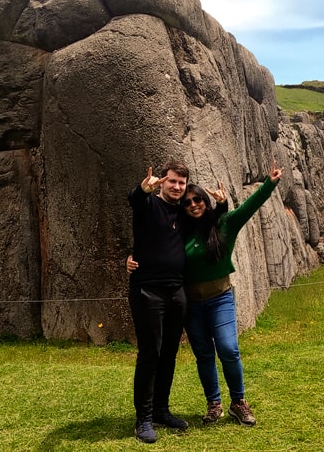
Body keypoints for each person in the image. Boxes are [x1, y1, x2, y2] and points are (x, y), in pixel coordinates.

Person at [128, 161, 282, 427]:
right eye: (187, 200)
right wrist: (141, 192)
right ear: (163, 183)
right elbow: (141, 215)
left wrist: (266, 184)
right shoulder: (165, 215)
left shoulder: (205, 221)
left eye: (195, 197)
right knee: (175, 353)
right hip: (171, 297)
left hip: (200, 296)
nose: (192, 203)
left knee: (214, 350)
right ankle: (168, 413)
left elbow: (241, 211)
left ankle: (229, 403)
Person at [127, 161, 194, 444]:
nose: (177, 187)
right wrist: (143, 188)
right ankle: (143, 418)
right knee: (150, 353)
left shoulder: (184, 211)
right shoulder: (148, 205)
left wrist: (223, 204)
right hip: (147, 291)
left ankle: (160, 410)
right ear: (163, 182)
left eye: (181, 183)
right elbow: (135, 199)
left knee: (169, 353)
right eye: (172, 182)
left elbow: (209, 218)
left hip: (176, 292)